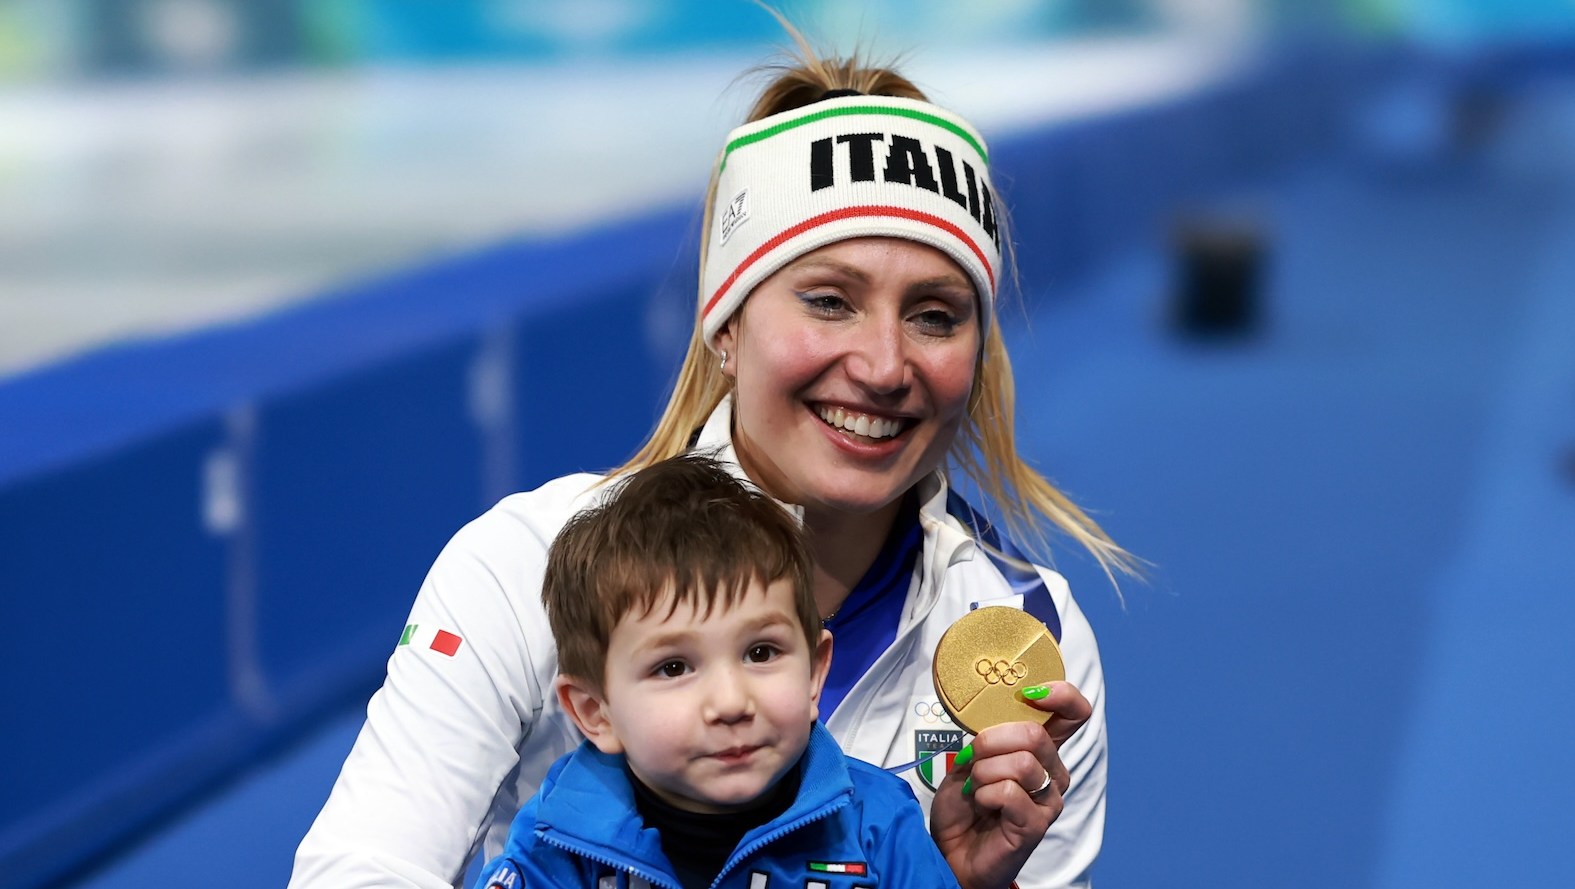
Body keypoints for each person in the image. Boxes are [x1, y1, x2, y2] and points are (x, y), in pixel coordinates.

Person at [290, 22, 1136, 889]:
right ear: (726, 326)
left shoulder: (1029, 637)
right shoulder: (524, 565)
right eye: (829, 301)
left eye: (933, 314)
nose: (885, 366)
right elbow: (359, 869)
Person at [471, 453, 961, 889]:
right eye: (674, 667)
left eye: (762, 653)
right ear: (596, 712)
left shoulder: (878, 829)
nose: (730, 702)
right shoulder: (552, 852)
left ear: (814, 673)